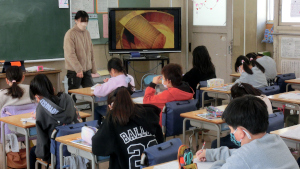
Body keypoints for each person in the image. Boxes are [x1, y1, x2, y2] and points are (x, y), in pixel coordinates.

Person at [196, 95, 298, 169]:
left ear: (241, 132)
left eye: (231, 130)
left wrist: (221, 162)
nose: (231, 134)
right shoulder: (276, 141)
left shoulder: (244, 157)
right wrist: (210, 154)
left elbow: (240, 157)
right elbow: (239, 154)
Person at [92, 87, 163, 169]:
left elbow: (97, 148)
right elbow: (160, 141)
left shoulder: (112, 120)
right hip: (154, 166)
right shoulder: (148, 114)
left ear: (110, 106)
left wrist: (110, 115)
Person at [29, 74, 81, 169]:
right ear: (51, 87)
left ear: (36, 96)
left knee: (33, 152)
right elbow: (78, 120)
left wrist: (44, 156)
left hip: (55, 152)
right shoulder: (67, 98)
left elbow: (42, 139)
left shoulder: (41, 108)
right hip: (76, 148)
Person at [210, 82, 273, 149]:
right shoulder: (263, 98)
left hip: (251, 134)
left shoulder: (248, 106)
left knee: (215, 143)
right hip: (262, 133)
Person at [64, 10, 98, 95]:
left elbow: (91, 52)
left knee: (92, 92)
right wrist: (78, 69)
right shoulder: (70, 34)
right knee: (73, 94)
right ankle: (71, 108)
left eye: (86, 21)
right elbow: (70, 54)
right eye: (82, 20)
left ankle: (94, 108)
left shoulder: (87, 33)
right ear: (76, 20)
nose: (84, 23)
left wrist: (93, 69)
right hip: (74, 71)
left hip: (87, 70)